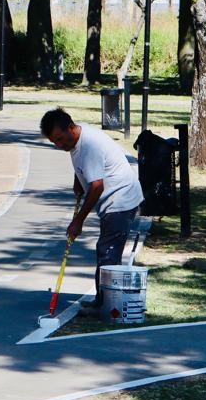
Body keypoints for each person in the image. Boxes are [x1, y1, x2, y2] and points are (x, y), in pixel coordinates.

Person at [39, 108, 145, 311]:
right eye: (55, 142)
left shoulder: (88, 145)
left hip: (120, 199)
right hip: (115, 199)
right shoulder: (76, 140)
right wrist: (78, 181)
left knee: (108, 252)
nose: (60, 145)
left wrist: (78, 221)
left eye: (61, 139)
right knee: (106, 250)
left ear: (71, 127)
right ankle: (106, 301)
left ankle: (106, 305)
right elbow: (83, 166)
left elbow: (97, 186)